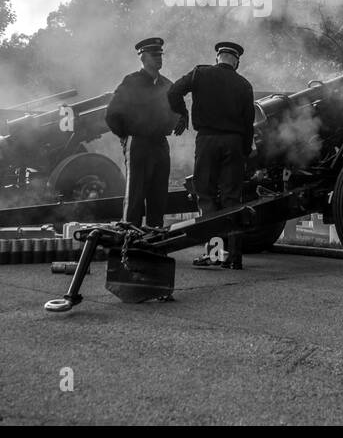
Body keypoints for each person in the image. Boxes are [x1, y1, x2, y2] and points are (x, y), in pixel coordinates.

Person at [167, 41, 255, 268]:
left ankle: (214, 254)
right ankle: (234, 257)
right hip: (234, 143)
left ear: (218, 57)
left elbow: (174, 91)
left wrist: (182, 112)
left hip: (207, 141)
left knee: (205, 195)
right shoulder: (244, 84)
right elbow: (248, 124)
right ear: (236, 61)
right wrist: (244, 153)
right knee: (232, 199)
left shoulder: (200, 73)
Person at [106, 37, 188, 228]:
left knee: (158, 196)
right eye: (154, 55)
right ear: (143, 57)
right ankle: (129, 241)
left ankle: (154, 239)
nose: (159, 58)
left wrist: (183, 115)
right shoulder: (131, 82)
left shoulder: (167, 85)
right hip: (138, 142)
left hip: (160, 143)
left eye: (160, 55)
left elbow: (178, 108)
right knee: (135, 196)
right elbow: (112, 114)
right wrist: (125, 137)